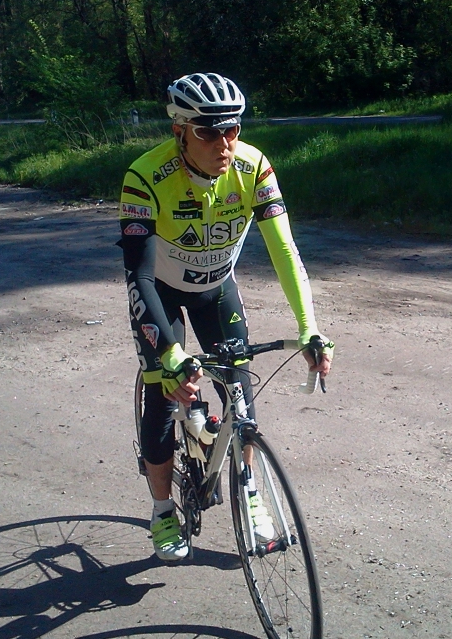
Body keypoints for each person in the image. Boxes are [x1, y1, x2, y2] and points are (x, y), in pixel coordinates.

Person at [118, 72, 334, 561]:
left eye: (232, 129)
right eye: (208, 132)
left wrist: (309, 328)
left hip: (216, 291)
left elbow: (285, 251)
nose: (224, 143)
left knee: (240, 393)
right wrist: (170, 355)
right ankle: (162, 510)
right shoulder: (144, 176)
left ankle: (250, 495)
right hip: (161, 295)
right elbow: (140, 276)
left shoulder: (253, 167)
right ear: (179, 132)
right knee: (165, 395)